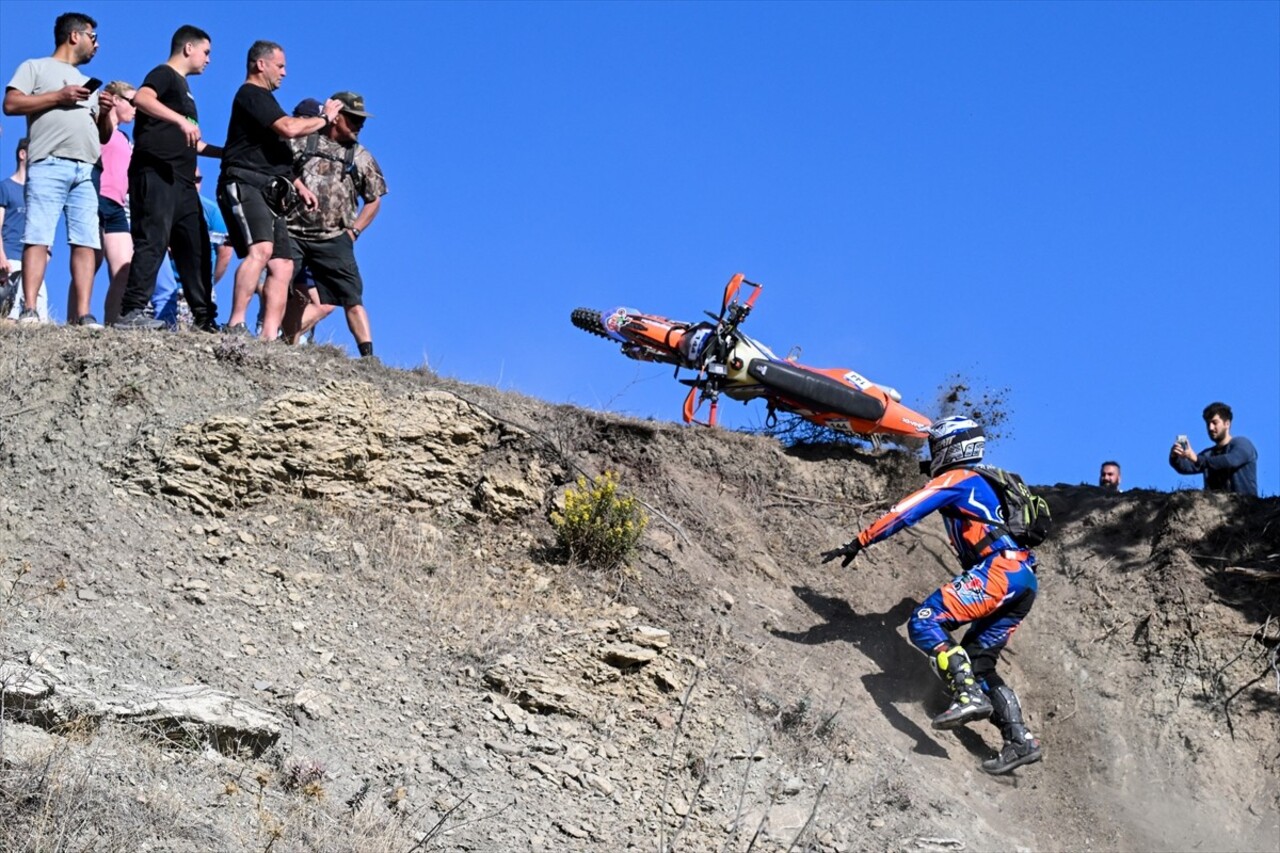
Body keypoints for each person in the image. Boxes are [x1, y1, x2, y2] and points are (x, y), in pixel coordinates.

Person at [820, 416, 1043, 774]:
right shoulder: (989, 480)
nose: (932, 453)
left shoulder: (958, 478)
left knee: (924, 621)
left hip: (999, 570)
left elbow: (907, 510)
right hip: (1024, 577)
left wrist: (859, 540)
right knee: (979, 662)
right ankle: (1020, 740)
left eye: (936, 446)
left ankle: (967, 696)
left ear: (952, 447)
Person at [217, 40, 340, 340]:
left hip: (271, 192)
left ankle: (269, 337)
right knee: (261, 251)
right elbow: (289, 128)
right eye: (280, 66)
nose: (285, 73)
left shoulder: (267, 101)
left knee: (283, 265)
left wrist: (300, 186)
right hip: (244, 182)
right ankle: (235, 324)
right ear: (261, 64)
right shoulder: (251, 94)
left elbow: (278, 158)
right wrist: (325, 119)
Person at [3, 11, 115, 326]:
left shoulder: (87, 85)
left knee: (86, 240)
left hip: (88, 169)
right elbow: (11, 104)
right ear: (74, 35)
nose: (97, 45)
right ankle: (29, 309)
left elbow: (102, 134)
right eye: (93, 37)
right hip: (48, 161)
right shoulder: (34, 67)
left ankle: (83, 314)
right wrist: (58, 96)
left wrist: (104, 113)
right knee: (38, 234)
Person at [114, 25, 222, 331]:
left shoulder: (186, 93)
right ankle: (132, 312)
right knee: (153, 239)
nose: (208, 60)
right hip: (155, 172)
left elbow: (194, 142)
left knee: (196, 245)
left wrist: (225, 153)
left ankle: (205, 319)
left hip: (183, 182)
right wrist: (179, 120)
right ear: (188, 48)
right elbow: (142, 99)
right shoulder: (163, 74)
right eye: (206, 52)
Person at [282, 90, 387, 358]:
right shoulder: (303, 142)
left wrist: (354, 231)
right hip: (291, 232)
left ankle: (368, 357)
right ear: (335, 117)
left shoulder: (360, 156)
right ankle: (280, 342)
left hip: (334, 238)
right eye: (353, 119)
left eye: (361, 120)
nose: (358, 126)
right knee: (284, 289)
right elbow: (277, 169)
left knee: (352, 297)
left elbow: (374, 199)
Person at [152, 166, 232, 328]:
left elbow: (225, 252)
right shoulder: (159, 206)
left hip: (196, 293)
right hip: (159, 290)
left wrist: (208, 282)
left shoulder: (210, 210)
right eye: (190, 179)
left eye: (198, 179)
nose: (194, 183)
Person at [95, 80, 136, 325]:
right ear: (116, 100)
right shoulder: (97, 126)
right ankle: (77, 318)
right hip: (96, 198)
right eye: (132, 102)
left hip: (118, 206)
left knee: (124, 268)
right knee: (90, 262)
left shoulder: (124, 137)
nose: (136, 108)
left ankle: (113, 324)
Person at [0, 137, 51, 321]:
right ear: (23, 154)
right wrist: (1, 257)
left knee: (39, 314)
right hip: (10, 260)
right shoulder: (5, 187)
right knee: (10, 314)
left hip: (34, 262)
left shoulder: (38, 193)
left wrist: (47, 254)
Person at [1169, 402, 1258, 496]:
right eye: (1208, 424)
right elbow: (1187, 467)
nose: (1210, 428)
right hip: (1216, 507)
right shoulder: (1209, 454)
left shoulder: (1242, 444)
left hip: (1244, 507)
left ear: (1227, 424)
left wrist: (1197, 459)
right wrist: (1175, 456)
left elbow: (1230, 460)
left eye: (1215, 423)